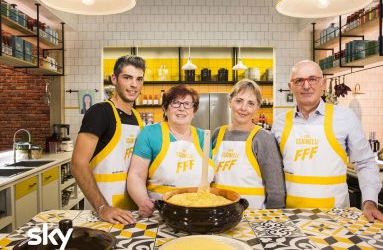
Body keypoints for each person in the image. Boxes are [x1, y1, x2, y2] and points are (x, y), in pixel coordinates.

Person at [271, 60, 383, 224]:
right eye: (299, 80)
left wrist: (369, 202)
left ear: (323, 83)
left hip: (337, 219)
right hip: (290, 219)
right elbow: (272, 171)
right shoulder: (279, 123)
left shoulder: (345, 117)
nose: (306, 86)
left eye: (312, 79)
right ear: (291, 86)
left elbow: (365, 163)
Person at [72, 55, 146, 224]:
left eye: (139, 79)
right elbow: (78, 164)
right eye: (127, 78)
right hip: (103, 213)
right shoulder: (100, 112)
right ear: (114, 79)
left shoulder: (137, 117)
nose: (134, 85)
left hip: (132, 211)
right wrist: (102, 207)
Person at [127, 84, 215, 218]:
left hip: (200, 211)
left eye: (187, 104)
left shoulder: (205, 137)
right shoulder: (150, 133)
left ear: (194, 111)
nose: (181, 108)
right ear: (165, 109)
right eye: (175, 103)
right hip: (160, 213)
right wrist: (143, 201)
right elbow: (136, 175)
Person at [211, 79, 286, 209]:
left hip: (252, 217)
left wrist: (271, 220)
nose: (243, 108)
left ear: (257, 108)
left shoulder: (263, 138)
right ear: (230, 101)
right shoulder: (218, 134)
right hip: (219, 214)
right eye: (239, 101)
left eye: (250, 103)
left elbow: (276, 190)